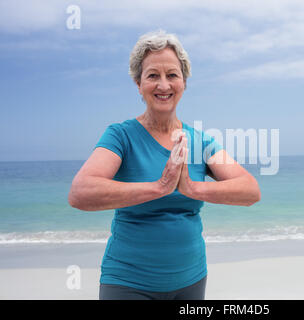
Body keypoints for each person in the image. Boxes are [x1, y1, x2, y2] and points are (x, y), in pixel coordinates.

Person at [68, 30, 261, 300]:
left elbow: (250, 190)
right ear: (138, 83)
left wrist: (192, 189)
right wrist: (160, 187)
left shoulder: (200, 141)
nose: (163, 85)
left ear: (183, 82)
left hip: (191, 281)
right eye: (152, 75)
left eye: (172, 75)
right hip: (128, 282)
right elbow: (80, 193)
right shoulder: (120, 136)